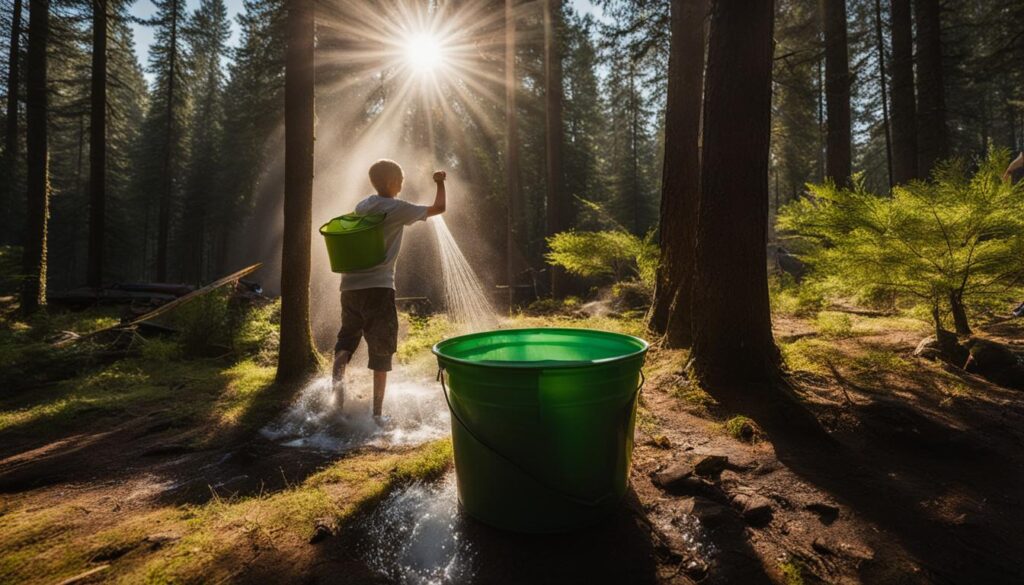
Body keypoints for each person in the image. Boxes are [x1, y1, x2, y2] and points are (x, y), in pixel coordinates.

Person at [332, 159, 447, 423]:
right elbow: (439, 208)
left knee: (345, 342)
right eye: (401, 179)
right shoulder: (396, 208)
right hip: (379, 286)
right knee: (381, 350)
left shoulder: (363, 205)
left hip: (349, 286)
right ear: (390, 182)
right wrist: (440, 183)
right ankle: (377, 415)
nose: (403, 183)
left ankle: (336, 405)